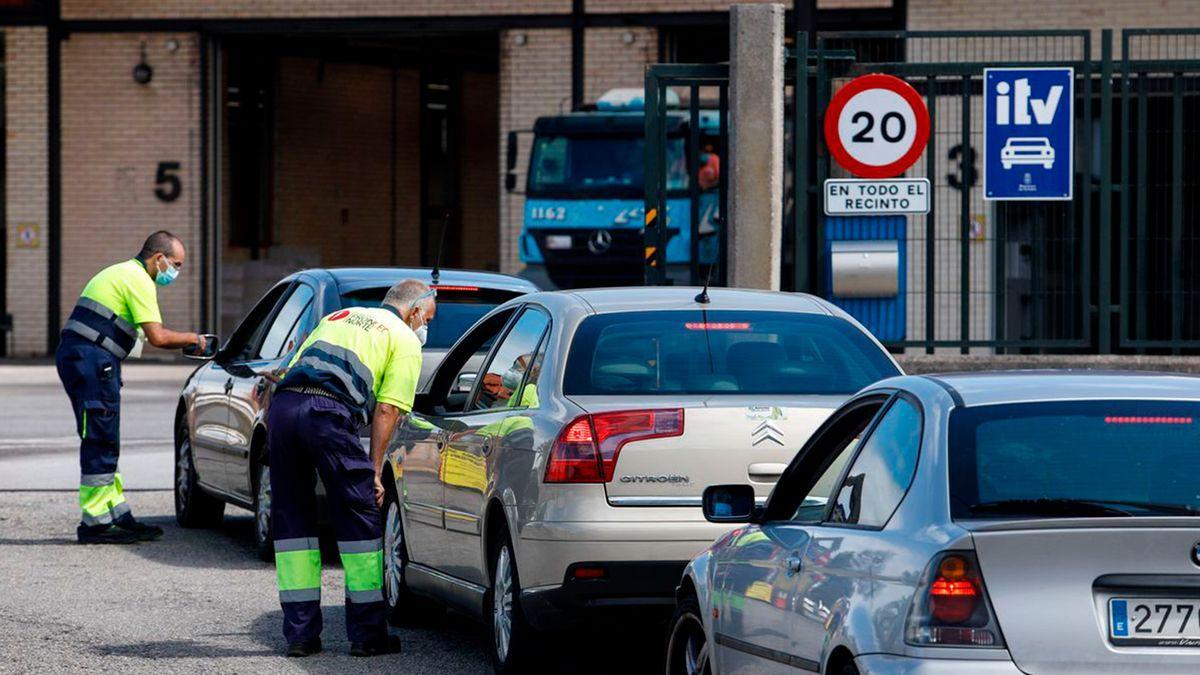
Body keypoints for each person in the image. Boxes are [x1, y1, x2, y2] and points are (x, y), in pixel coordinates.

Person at [267, 279, 436, 658]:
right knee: (360, 518)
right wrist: (373, 471)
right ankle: (367, 635)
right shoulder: (404, 339)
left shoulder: (338, 316)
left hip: (285, 409)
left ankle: (300, 636)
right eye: (427, 318)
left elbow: (286, 371)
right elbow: (388, 410)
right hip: (327, 414)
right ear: (412, 312)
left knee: (292, 522)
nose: (425, 327)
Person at [56, 230, 207, 544]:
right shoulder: (138, 279)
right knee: (99, 437)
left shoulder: (119, 271)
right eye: (175, 264)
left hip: (86, 358)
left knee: (105, 436)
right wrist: (196, 339)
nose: (176, 272)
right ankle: (96, 523)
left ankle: (117, 515)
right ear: (158, 258)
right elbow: (159, 337)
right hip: (92, 360)